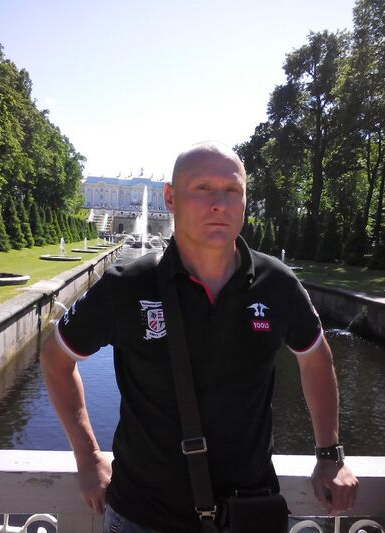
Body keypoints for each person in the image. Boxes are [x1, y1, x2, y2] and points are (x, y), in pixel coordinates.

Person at [41, 141, 358, 533]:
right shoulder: (127, 285)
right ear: (170, 198)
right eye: (202, 188)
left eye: (232, 190)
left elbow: (316, 359)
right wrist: (88, 456)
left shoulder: (277, 283)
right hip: (143, 516)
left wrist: (329, 454)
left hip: (248, 513)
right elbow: (55, 359)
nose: (219, 204)